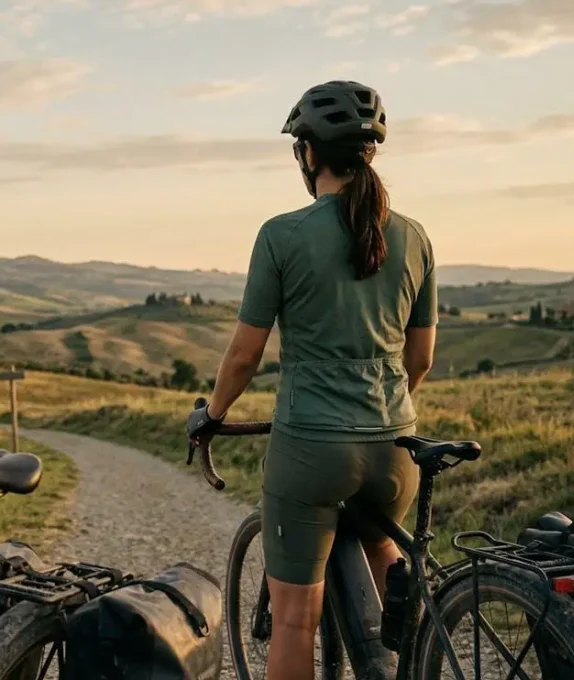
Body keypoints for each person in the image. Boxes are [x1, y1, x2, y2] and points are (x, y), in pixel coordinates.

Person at [185, 81, 437, 680]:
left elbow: (245, 356)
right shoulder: (415, 236)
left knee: (296, 619)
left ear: (308, 153)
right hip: (396, 449)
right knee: (386, 556)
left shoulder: (282, 234)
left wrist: (213, 415)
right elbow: (420, 358)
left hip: (312, 448)